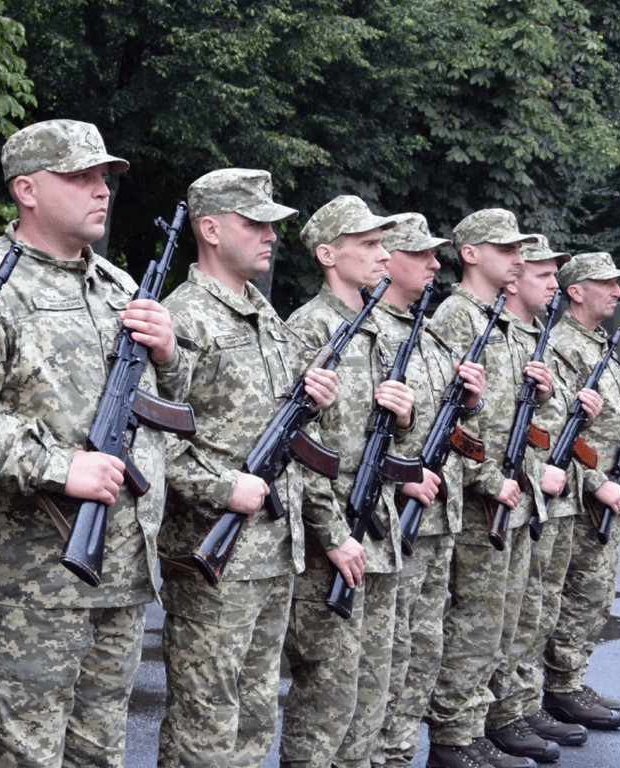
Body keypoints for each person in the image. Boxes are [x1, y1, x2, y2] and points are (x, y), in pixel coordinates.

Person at [0, 119, 187, 768]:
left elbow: (165, 414)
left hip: (120, 574)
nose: (101, 190)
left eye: (104, 177)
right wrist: (59, 465)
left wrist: (169, 353)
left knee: (99, 757)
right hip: (21, 586)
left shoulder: (123, 290)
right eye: (80, 176)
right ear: (28, 190)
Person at [154, 169, 338, 768]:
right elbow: (154, 444)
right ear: (209, 229)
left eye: (272, 225)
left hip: (273, 552)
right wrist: (224, 487)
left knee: (257, 716)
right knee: (205, 724)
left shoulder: (267, 318)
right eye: (254, 223)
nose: (270, 236)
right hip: (214, 554)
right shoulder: (181, 319)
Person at [280, 195, 417, 768]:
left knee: (370, 687)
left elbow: (394, 444)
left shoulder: (376, 329)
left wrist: (405, 418)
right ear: (328, 254)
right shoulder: (309, 330)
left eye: (384, 245)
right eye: (369, 245)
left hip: (377, 531)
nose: (384, 256)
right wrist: (334, 533)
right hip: (331, 541)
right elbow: (293, 446)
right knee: (327, 694)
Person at [426, 210, 564, 768]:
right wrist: (490, 479)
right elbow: (448, 418)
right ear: (472, 253)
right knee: (475, 619)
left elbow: (518, 420)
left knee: (503, 618)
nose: (518, 258)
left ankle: (481, 723)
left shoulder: (500, 320)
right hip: (480, 495)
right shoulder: (457, 319)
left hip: (510, 490)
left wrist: (549, 394)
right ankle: (456, 736)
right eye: (505, 248)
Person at [373, 213, 486, 768]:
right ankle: (382, 755)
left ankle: (399, 754)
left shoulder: (426, 332)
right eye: (420, 254)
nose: (433, 264)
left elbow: (448, 427)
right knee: (386, 654)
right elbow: (350, 438)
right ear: (385, 258)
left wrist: (470, 402)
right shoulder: (356, 326)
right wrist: (404, 474)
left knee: (422, 646)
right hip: (392, 514)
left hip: (438, 512)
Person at [482, 235, 597, 763]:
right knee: (489, 619)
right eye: (543, 276)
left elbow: (537, 426)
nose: (553, 284)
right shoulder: (477, 326)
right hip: (502, 494)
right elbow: (482, 422)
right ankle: (490, 718)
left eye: (556, 276)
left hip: (540, 490)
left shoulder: (535, 336)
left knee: (534, 609)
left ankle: (521, 704)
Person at [542, 252, 620, 729]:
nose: (616, 292)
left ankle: (571, 677)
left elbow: (611, 423)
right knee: (571, 593)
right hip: (581, 493)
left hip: (610, 488)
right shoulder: (561, 346)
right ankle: (559, 687)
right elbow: (561, 431)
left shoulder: (598, 344)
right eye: (606, 283)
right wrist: (596, 482)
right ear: (576, 291)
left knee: (595, 596)